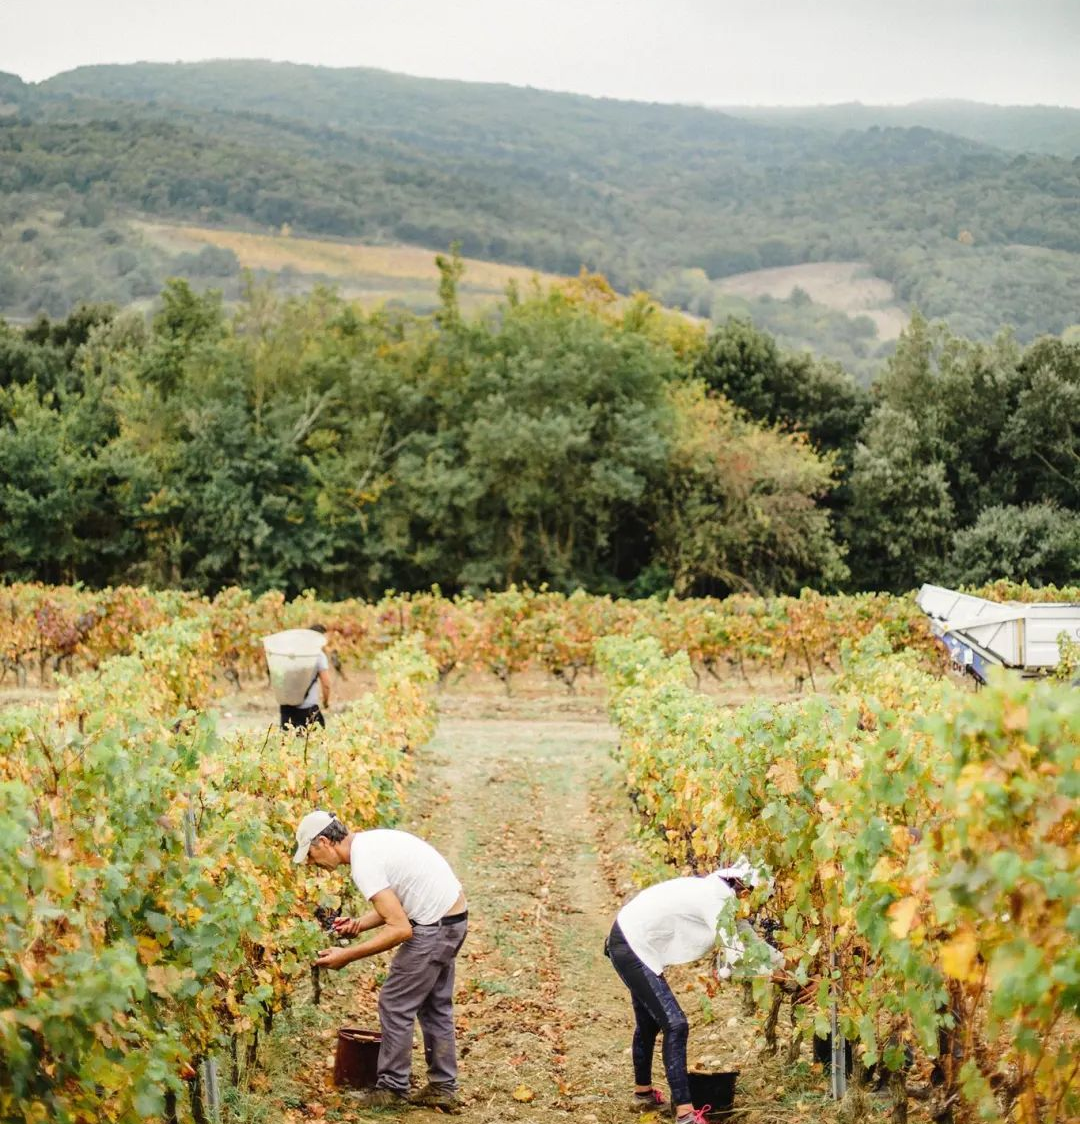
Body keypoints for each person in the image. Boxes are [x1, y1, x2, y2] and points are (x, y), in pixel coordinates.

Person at [294, 811, 469, 1110]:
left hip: (434, 928)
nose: (311, 863)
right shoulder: (370, 844)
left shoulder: (364, 864)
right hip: (453, 919)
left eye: (310, 854)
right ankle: (443, 1086)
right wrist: (360, 924)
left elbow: (401, 928)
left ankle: (391, 1090)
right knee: (434, 1004)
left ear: (323, 841)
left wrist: (346, 955)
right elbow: (397, 903)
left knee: (395, 1002)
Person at [605, 858, 773, 1124]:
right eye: (757, 898)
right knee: (675, 1024)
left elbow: (748, 938)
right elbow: (737, 954)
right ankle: (685, 1114)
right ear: (744, 890)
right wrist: (779, 976)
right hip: (630, 944)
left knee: (650, 1024)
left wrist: (784, 964)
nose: (756, 907)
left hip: (633, 938)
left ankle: (643, 1095)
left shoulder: (723, 898)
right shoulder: (714, 901)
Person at [280, 624, 331, 731]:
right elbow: (326, 685)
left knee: (287, 743)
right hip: (308, 707)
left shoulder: (291, 653)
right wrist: (326, 702)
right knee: (317, 741)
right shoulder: (319, 656)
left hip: (287, 707)